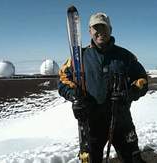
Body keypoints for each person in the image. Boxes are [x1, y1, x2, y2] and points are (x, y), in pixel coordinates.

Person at [58, 12, 148, 163]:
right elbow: (63, 80)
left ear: (110, 30)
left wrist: (129, 93)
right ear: (89, 31)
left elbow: (142, 80)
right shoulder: (79, 57)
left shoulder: (125, 56)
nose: (100, 32)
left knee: (133, 160)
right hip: (92, 124)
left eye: (104, 28)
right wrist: (75, 96)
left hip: (121, 121)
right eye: (96, 28)